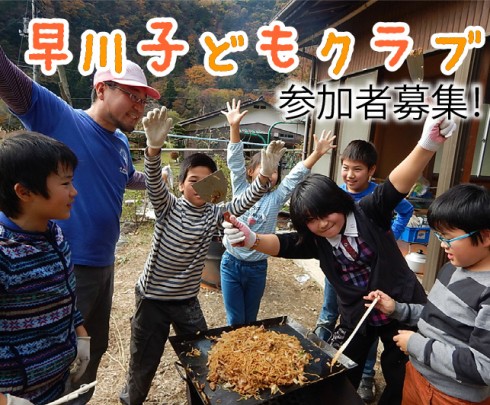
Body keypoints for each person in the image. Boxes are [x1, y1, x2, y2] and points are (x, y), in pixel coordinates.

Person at [223, 114, 456, 405]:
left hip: (400, 305)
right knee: (338, 372)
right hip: (356, 316)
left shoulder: (369, 211)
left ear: (338, 203)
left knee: (402, 374)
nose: (321, 224)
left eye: (326, 214)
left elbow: (397, 183)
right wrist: (252, 239)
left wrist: (427, 143)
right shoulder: (316, 239)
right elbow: (284, 244)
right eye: (310, 220)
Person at [0, 46, 159, 404]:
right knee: (50, 352)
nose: (138, 105)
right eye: (131, 95)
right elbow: (12, 83)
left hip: (103, 263)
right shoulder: (61, 118)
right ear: (101, 89)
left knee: (91, 346)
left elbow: (124, 176)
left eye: (143, 99)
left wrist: (156, 173)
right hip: (63, 263)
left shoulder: (119, 141)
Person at [119, 107, 286, 405]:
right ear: (182, 184)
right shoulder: (167, 206)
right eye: (192, 180)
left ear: (215, 188)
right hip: (153, 300)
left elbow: (245, 200)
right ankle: (132, 401)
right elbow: (155, 181)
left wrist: (263, 176)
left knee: (203, 357)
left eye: (207, 181)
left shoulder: (213, 213)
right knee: (143, 360)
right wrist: (154, 149)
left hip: (186, 301)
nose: (199, 187)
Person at [364, 184, 490, 405]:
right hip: (418, 376)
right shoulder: (454, 267)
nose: (442, 245)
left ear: (485, 236)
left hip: (451, 396)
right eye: (440, 236)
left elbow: (483, 367)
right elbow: (436, 316)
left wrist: (415, 345)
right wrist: (397, 309)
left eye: (449, 237)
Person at [220, 98, 336, 326]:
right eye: (265, 168)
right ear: (252, 171)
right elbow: (234, 164)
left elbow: (294, 177)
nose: (270, 174)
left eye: (274, 170)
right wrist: (234, 127)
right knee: (235, 319)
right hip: (230, 263)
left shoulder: (275, 198)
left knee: (250, 319)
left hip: (257, 267)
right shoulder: (241, 190)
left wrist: (317, 153)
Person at [316, 139, 414, 402]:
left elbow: (406, 210)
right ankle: (323, 365)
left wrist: (389, 237)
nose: (349, 175)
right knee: (335, 317)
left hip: (375, 276)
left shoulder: (378, 196)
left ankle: (367, 376)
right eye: (345, 167)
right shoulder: (335, 194)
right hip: (341, 274)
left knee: (372, 323)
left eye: (357, 169)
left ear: (371, 170)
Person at [0, 131, 89, 405]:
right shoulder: (4, 253)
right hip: (19, 396)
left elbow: (63, 296)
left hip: (58, 386)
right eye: (65, 183)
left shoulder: (54, 234)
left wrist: (81, 334)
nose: (74, 192)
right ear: (24, 191)